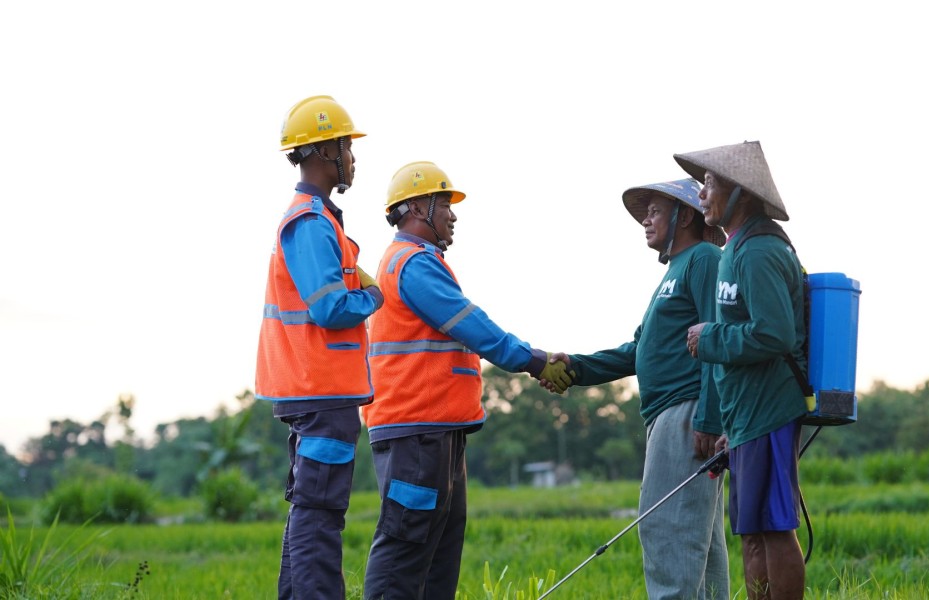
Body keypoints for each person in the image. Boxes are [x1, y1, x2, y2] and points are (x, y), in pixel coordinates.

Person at [361, 161, 573, 599]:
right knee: (404, 551)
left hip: (436, 429)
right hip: (416, 431)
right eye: (445, 205)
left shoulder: (416, 263)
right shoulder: (412, 264)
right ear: (417, 207)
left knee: (438, 558)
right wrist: (534, 360)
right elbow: (472, 325)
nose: (453, 215)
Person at [542, 178, 730, 600]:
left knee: (670, 532)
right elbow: (637, 351)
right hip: (668, 415)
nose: (646, 219)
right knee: (697, 538)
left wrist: (709, 417)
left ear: (686, 216)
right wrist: (577, 367)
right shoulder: (672, 273)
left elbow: (717, 337)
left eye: (655, 211)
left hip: (686, 412)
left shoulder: (703, 259)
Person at [255, 95, 383, 599]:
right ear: (326, 151)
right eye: (347, 147)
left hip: (318, 392)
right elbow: (330, 309)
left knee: (312, 511)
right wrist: (373, 296)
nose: (352, 157)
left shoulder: (319, 220)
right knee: (320, 515)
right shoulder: (310, 222)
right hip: (321, 393)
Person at [679, 141, 807, 600]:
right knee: (752, 532)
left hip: (769, 410)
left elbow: (775, 334)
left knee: (774, 528)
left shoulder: (759, 251)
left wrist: (710, 337)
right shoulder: (735, 250)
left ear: (741, 193)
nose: (701, 193)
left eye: (710, 183)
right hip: (747, 417)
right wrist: (730, 427)